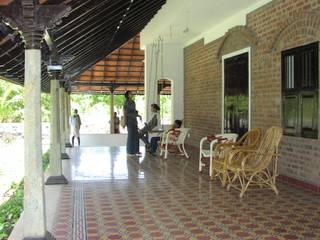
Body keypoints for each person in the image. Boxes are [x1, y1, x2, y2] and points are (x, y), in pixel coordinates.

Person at [123, 91, 140, 156]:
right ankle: (129, 151)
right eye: (130, 93)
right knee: (130, 136)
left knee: (136, 135)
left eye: (131, 93)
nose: (132, 94)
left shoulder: (133, 102)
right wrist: (125, 122)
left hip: (134, 121)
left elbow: (134, 111)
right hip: (129, 121)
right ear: (127, 95)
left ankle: (136, 151)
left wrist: (138, 115)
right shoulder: (126, 103)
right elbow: (125, 113)